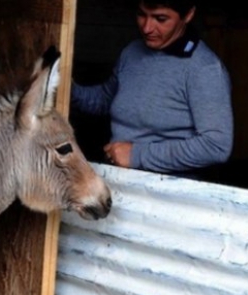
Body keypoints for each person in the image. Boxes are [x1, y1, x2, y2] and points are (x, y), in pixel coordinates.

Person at [71, 0, 234, 177]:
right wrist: (65, 88)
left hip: (168, 192)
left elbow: (216, 146)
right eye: (142, 15)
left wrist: (136, 155)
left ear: (188, 15)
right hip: (116, 180)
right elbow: (104, 100)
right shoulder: (132, 52)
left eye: (161, 18)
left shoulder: (204, 69)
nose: (147, 28)